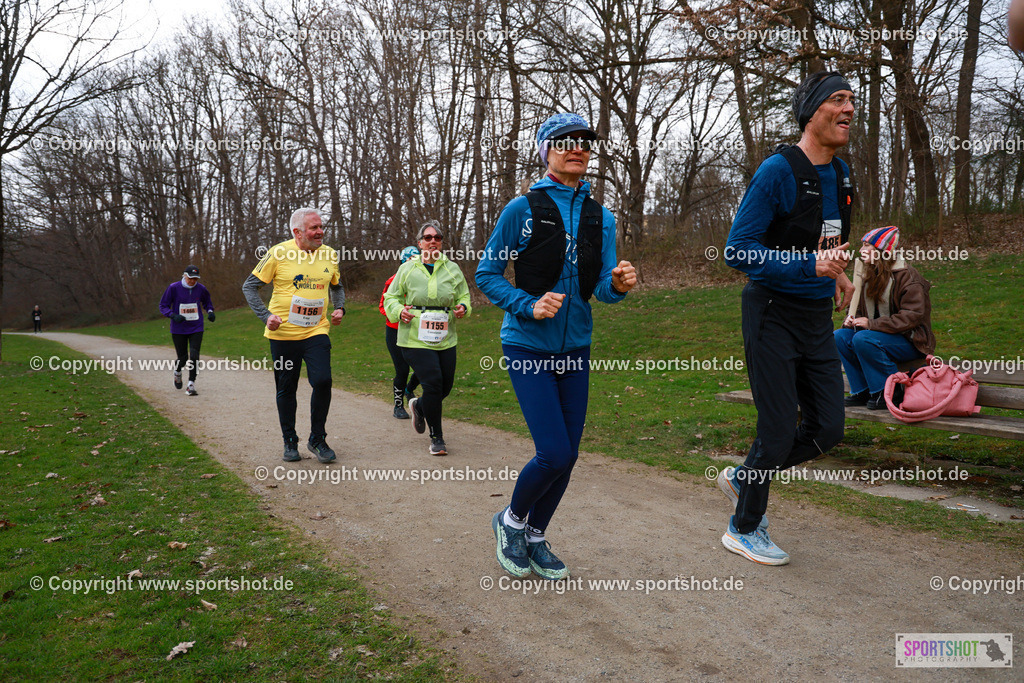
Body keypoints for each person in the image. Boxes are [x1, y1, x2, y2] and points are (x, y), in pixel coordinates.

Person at [477, 112, 636, 581]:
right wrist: (528, 305)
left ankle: (535, 535)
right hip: (527, 346)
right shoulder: (521, 209)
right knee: (553, 452)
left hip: (575, 348)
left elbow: (599, 289)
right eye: (565, 142)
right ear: (546, 151)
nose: (577, 148)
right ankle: (510, 521)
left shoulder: (601, 217)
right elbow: (487, 274)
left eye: (584, 141)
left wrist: (618, 284)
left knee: (569, 453)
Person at [719, 71, 856, 566]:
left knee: (827, 429)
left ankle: (745, 476)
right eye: (838, 99)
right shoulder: (778, 170)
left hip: (817, 316)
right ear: (811, 111)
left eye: (852, 100)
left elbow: (828, 236)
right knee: (777, 430)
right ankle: (744, 528)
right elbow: (738, 250)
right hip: (772, 315)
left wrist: (837, 273)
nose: (849, 108)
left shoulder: (841, 174)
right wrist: (807, 266)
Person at [242, 208, 345, 463]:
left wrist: (340, 307)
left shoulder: (330, 254)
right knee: (286, 388)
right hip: (284, 334)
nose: (320, 231)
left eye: (321, 226)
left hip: (316, 331)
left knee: (323, 380)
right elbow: (250, 286)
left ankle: (317, 439)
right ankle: (290, 440)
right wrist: (266, 316)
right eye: (314, 228)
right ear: (297, 232)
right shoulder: (278, 253)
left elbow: (337, 286)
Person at [383, 222, 470, 455]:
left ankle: (420, 406)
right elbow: (390, 297)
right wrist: (398, 310)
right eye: (428, 237)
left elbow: (464, 296)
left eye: (437, 237)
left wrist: (463, 307)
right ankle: (437, 438)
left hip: (445, 337)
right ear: (420, 243)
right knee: (433, 382)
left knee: (445, 387)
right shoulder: (407, 268)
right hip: (414, 337)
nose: (433, 241)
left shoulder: (452, 268)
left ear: (441, 242)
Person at [834, 226, 934, 409]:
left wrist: (871, 324)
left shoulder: (908, 277)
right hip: (875, 336)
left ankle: (890, 391)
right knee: (839, 336)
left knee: (864, 338)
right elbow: (858, 309)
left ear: (882, 251)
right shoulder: (867, 274)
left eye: (867, 246)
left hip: (911, 341)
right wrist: (851, 319)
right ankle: (862, 390)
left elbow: (912, 316)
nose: (861, 250)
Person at [159, 265, 215, 396]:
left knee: (194, 355)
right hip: (178, 328)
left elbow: (207, 302)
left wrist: (210, 312)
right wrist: (173, 315)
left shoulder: (201, 289)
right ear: (184, 276)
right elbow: (163, 305)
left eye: (195, 279)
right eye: (190, 278)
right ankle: (177, 371)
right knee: (183, 358)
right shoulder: (173, 288)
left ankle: (191, 384)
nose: (192, 281)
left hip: (196, 326)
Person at [380, 246, 421, 419]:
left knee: (424, 367)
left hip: (418, 331)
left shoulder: (424, 281)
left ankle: (409, 389)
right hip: (395, 331)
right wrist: (399, 313)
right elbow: (382, 306)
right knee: (402, 370)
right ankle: (398, 406)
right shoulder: (393, 281)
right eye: (409, 260)